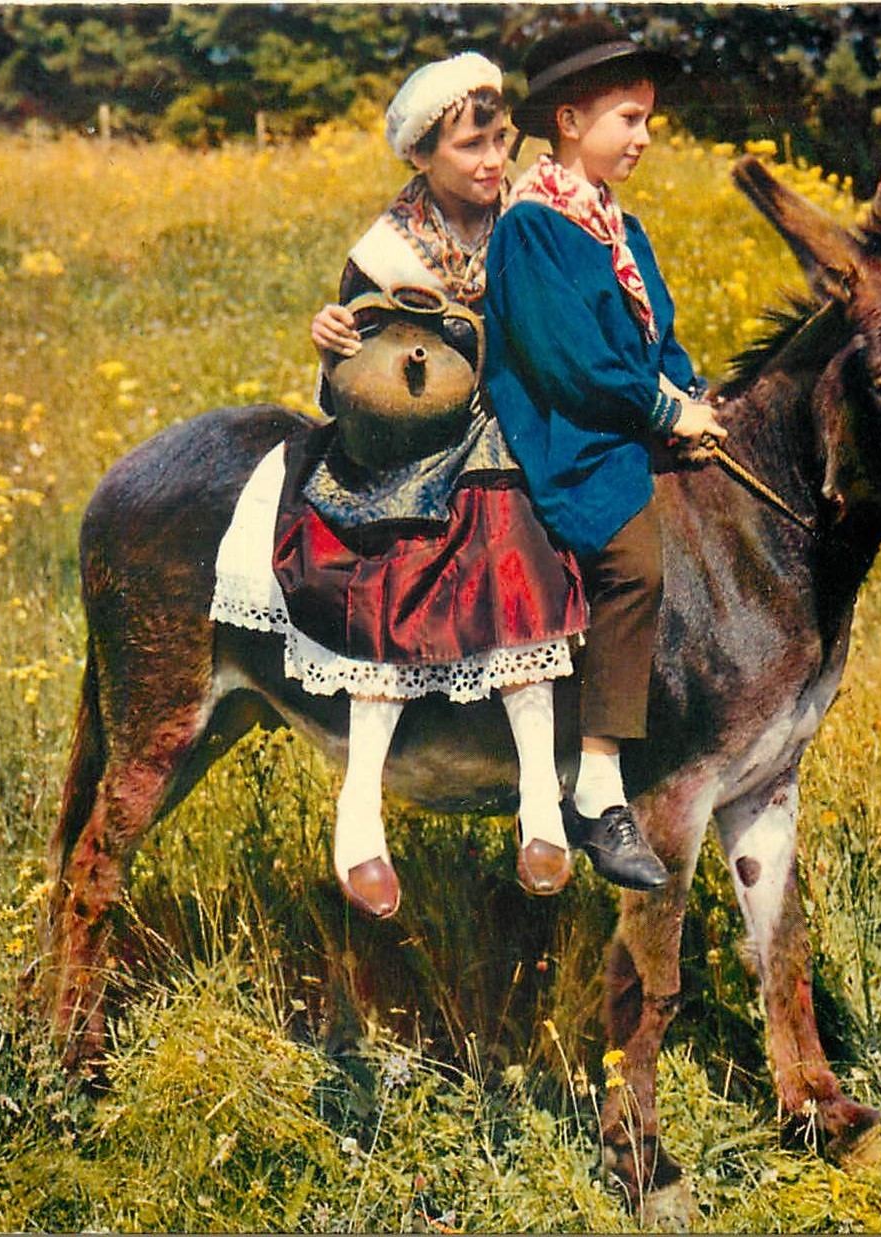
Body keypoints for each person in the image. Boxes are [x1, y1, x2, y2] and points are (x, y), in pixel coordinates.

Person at [281, 52, 592, 917]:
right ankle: (359, 811)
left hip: (508, 422)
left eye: (499, 141)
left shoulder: (524, 218)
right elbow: (353, 388)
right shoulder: (386, 251)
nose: (491, 161)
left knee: (521, 550)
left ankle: (542, 800)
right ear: (421, 155)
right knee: (392, 572)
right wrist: (334, 345)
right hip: (410, 440)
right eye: (468, 146)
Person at [481, 19, 727, 887]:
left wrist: (691, 395)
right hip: (566, 427)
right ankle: (597, 785)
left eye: (647, 119)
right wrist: (661, 408)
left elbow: (659, 337)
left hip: (619, 412)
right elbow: (568, 363)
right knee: (631, 560)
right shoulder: (533, 227)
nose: (644, 137)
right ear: (569, 121)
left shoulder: (622, 228)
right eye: (628, 118)